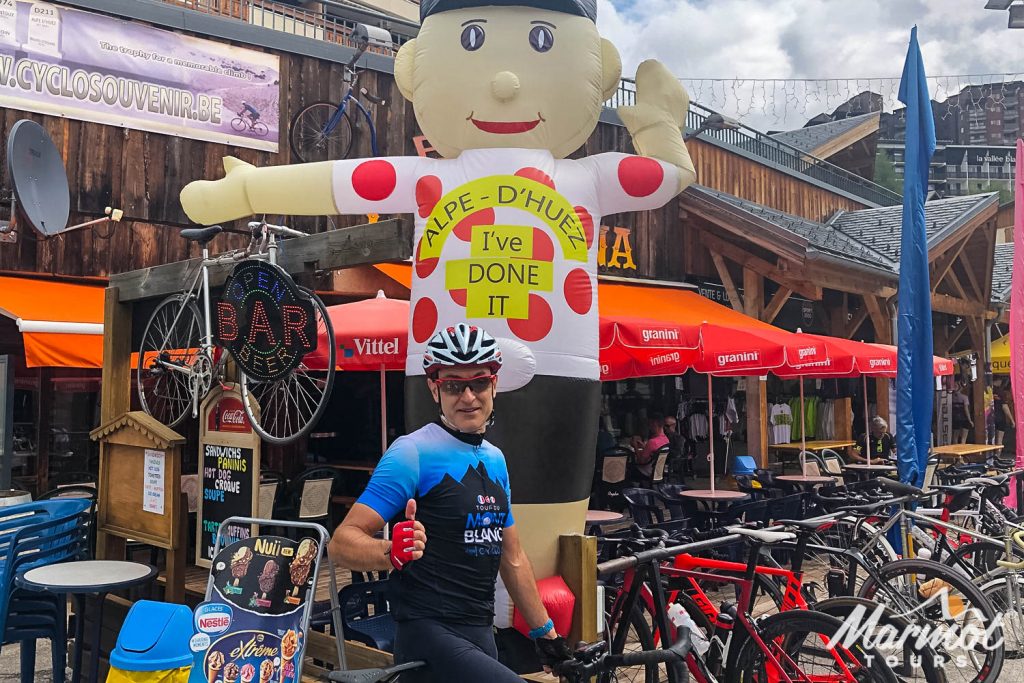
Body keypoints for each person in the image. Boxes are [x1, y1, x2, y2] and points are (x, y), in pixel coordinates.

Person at [328, 324, 571, 682]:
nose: (468, 396)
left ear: (495, 385)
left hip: (479, 632)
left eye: (479, 382)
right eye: (454, 385)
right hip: (428, 636)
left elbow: (512, 557)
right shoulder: (412, 452)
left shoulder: (495, 460)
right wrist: (390, 551)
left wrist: (546, 636)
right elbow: (341, 542)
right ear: (433, 388)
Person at [632, 414, 669, 479]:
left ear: (655, 424)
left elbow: (641, 461)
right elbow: (654, 451)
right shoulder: (666, 440)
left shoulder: (652, 442)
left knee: (628, 468)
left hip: (647, 471)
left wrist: (635, 447)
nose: (649, 427)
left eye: (650, 425)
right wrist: (644, 446)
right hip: (659, 471)